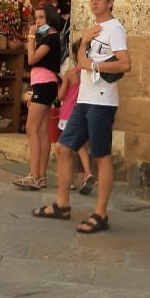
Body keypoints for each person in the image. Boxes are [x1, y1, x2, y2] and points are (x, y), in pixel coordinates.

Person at [33, 0, 129, 232]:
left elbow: (124, 64)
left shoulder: (115, 29)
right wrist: (84, 42)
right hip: (84, 99)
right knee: (64, 148)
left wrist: (95, 66)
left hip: (102, 101)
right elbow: (82, 61)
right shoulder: (92, 29)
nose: (94, 2)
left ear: (109, 2)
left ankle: (100, 213)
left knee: (101, 156)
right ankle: (62, 204)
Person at [14, 3, 64, 190]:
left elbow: (32, 59)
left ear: (49, 18)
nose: (37, 21)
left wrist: (31, 36)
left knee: (31, 129)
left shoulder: (50, 38)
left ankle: (34, 174)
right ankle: (40, 176)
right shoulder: (49, 38)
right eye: (36, 18)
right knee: (42, 131)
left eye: (41, 18)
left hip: (43, 85)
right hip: (44, 84)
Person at [56, 41, 95, 196]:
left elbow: (61, 96)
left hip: (68, 115)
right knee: (81, 147)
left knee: (67, 149)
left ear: (73, 55)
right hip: (86, 113)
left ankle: (73, 178)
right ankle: (86, 174)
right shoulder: (91, 73)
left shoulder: (70, 74)